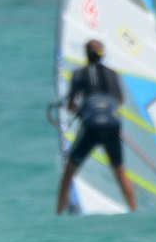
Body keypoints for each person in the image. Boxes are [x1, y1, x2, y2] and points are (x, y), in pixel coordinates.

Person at [56, 39, 137, 214]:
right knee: (120, 171)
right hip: (112, 125)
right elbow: (119, 101)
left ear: (86, 55)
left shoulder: (79, 73)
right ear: (103, 55)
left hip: (92, 126)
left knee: (69, 171)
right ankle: (133, 210)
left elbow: (71, 106)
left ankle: (58, 212)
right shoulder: (113, 73)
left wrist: (81, 109)